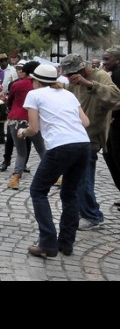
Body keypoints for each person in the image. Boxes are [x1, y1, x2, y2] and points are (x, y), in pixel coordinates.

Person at [20, 64, 90, 258]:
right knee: (70, 194)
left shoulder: (34, 95)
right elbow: (86, 122)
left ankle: (47, 243)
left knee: (38, 191)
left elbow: (33, 129)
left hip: (61, 146)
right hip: (83, 144)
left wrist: (22, 131)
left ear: (35, 80)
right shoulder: (67, 94)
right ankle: (66, 244)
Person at [60, 54, 120, 230]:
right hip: (77, 135)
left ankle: (92, 215)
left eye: (75, 72)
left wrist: (90, 85)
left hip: (92, 136)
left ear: (82, 67)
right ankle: (86, 211)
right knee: (77, 177)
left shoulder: (99, 75)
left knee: (84, 178)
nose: (73, 76)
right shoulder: (73, 82)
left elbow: (116, 95)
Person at [4, 61, 46, 189]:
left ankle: (16, 178)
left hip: (16, 120)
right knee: (41, 149)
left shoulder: (16, 85)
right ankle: (56, 177)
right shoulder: (40, 86)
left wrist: (3, 99)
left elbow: (9, 101)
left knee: (21, 152)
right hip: (33, 120)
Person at [101, 47, 120, 209]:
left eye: (107, 59)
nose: (103, 62)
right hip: (113, 124)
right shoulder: (112, 74)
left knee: (116, 158)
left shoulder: (118, 74)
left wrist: (105, 109)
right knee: (111, 156)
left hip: (117, 125)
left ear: (117, 60)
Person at [0, 53, 18, 145]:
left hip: (9, 96)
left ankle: (12, 138)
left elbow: (17, 82)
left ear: (7, 60)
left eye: (4, 60)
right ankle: (0, 137)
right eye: (1, 61)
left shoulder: (13, 70)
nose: (3, 62)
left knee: (11, 118)